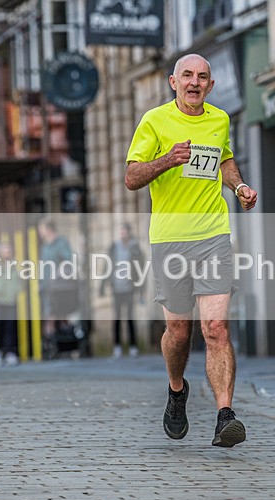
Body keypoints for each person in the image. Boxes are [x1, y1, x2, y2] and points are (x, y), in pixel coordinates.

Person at [125, 53, 257, 447]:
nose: (194, 82)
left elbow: (225, 159)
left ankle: (224, 415)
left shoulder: (220, 120)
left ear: (211, 85)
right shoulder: (154, 121)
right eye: (187, 75)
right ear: (173, 82)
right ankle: (177, 389)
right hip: (169, 239)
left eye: (202, 77)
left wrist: (238, 186)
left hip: (213, 235)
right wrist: (169, 159)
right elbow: (131, 177)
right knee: (179, 332)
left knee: (215, 328)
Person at [101, 222, 144, 358]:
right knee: (117, 318)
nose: (122, 234)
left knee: (130, 317)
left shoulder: (135, 248)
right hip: (116, 288)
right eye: (121, 232)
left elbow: (141, 269)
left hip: (129, 288)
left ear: (129, 233)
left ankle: (133, 346)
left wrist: (141, 289)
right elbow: (107, 266)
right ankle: (117, 347)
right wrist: (102, 285)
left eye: (124, 232)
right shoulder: (114, 247)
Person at [37, 218, 78, 356]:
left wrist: (59, 273)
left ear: (48, 229)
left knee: (61, 316)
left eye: (41, 228)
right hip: (46, 287)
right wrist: (40, 282)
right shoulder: (44, 246)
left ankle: (65, 347)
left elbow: (69, 260)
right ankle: (50, 347)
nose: (40, 232)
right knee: (49, 316)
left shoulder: (61, 243)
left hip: (59, 287)